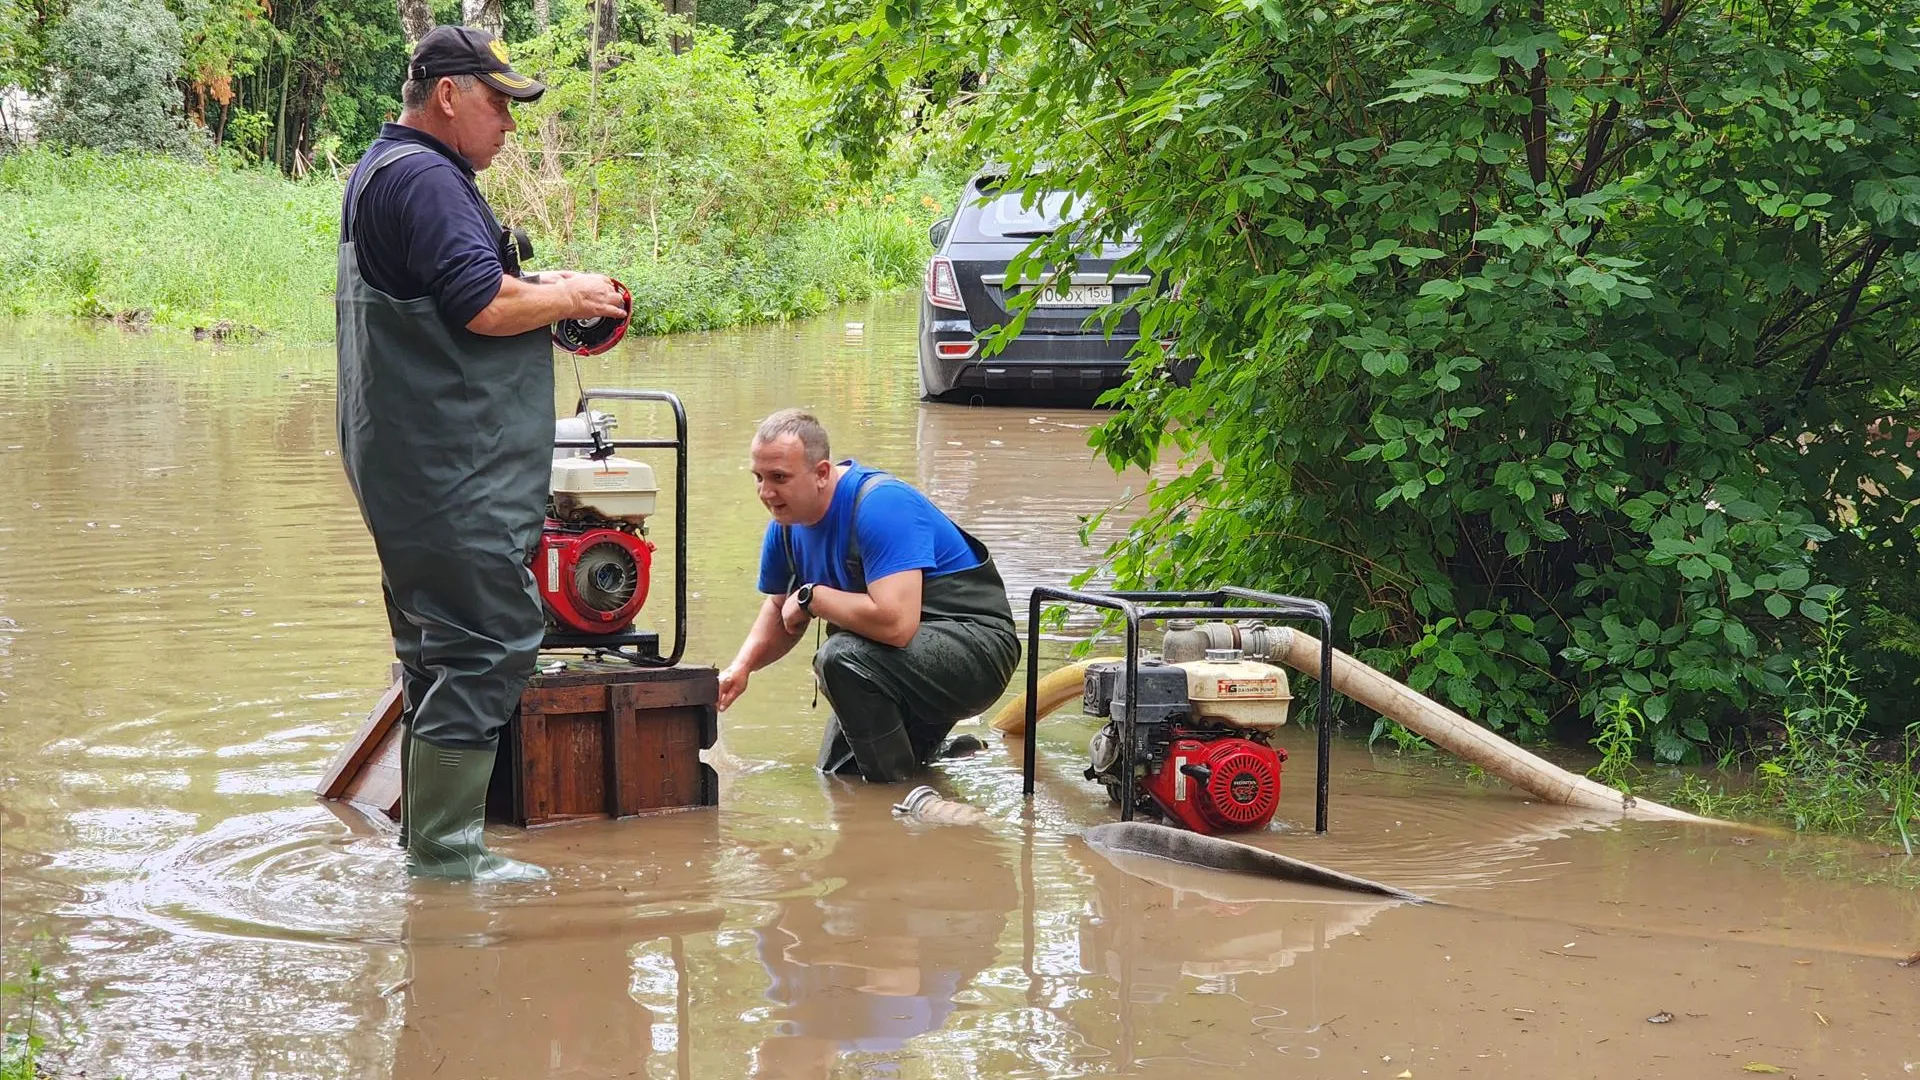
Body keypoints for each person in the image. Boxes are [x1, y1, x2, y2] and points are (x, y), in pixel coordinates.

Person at [335, 25, 628, 882]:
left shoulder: (379, 170)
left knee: (437, 647)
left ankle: (425, 844)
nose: (509, 120)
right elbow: (479, 307)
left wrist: (543, 290)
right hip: (451, 467)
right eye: (498, 101)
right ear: (449, 94)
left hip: (405, 462)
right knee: (493, 640)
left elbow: (460, 289)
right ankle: (448, 858)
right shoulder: (429, 177)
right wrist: (570, 292)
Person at [717, 409, 1022, 782]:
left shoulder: (880, 504)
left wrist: (813, 597)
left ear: (822, 473)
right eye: (759, 478)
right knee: (839, 775)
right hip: (895, 663)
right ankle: (944, 759)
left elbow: (896, 625)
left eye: (779, 478)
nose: (766, 493)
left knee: (839, 658)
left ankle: (897, 800)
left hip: (977, 653)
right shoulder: (784, 526)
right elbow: (781, 609)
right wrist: (741, 668)